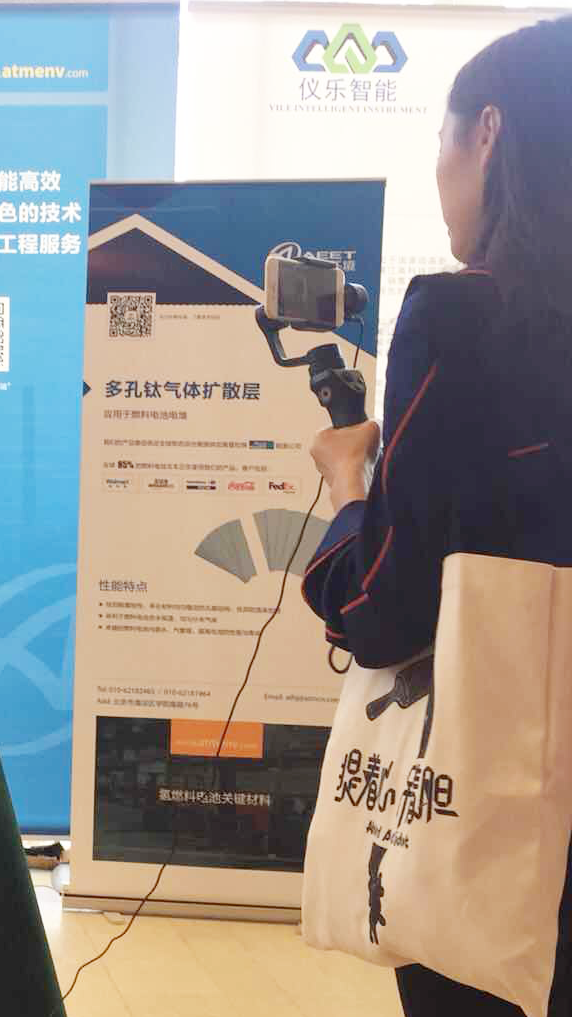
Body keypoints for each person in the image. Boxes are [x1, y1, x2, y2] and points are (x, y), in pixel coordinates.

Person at [303, 17, 572, 1017]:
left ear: (488, 133)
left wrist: (349, 490)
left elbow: (383, 611)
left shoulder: (463, 320)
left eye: (442, 138)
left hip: (499, 809)